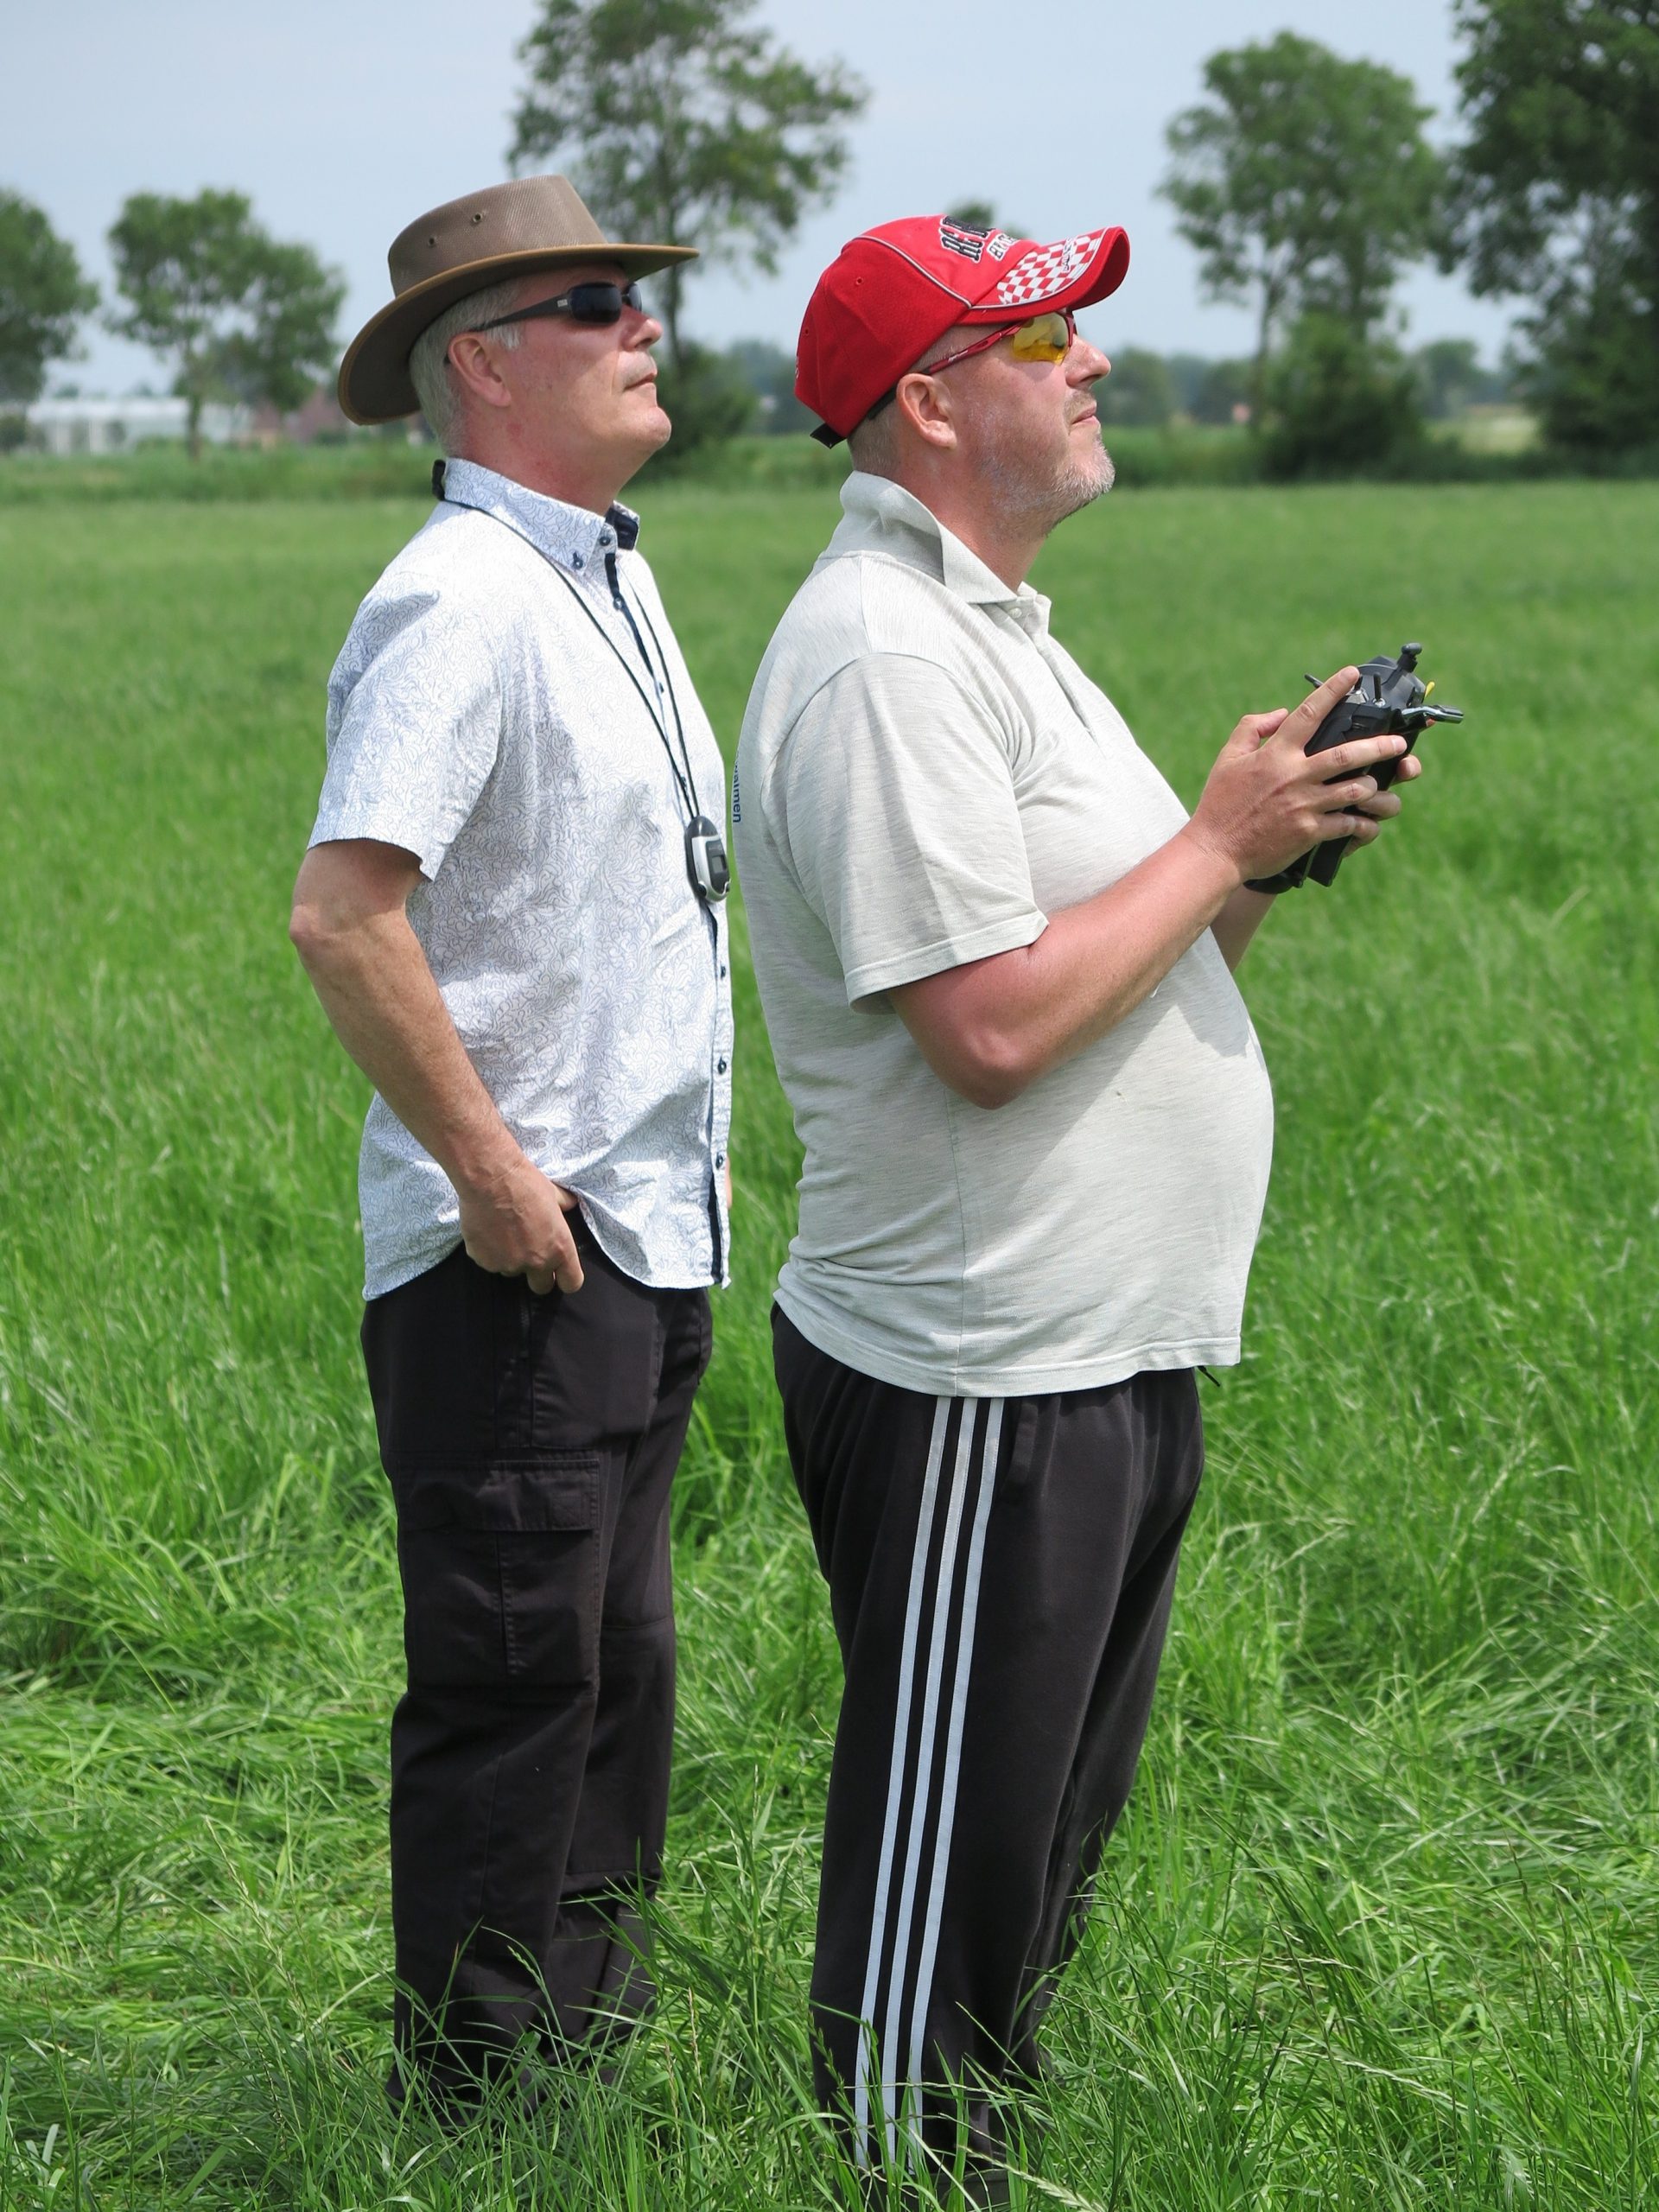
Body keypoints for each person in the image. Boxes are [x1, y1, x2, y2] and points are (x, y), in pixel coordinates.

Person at [732, 213, 1421, 2196]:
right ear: (931, 405)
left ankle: (971, 2158)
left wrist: (1256, 854)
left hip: (1097, 1351)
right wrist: (1216, 836)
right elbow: (989, 1028)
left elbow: (1121, 963)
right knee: (944, 1899)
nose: (1096, 358)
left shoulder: (993, 632)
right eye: (1046, 336)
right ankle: (900, 2175)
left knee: (1027, 1864)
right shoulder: (883, 658)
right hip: (983, 1366)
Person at [289, 175, 734, 2108]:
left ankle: (581, 2071)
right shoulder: (459, 598)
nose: (643, 324)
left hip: (634, 1228)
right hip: (521, 1256)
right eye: (594, 301)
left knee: (612, 1675)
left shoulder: (602, 573)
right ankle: (475, 2108)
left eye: (636, 293)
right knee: (515, 1681)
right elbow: (344, 913)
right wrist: (489, 1175)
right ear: (482, 363)